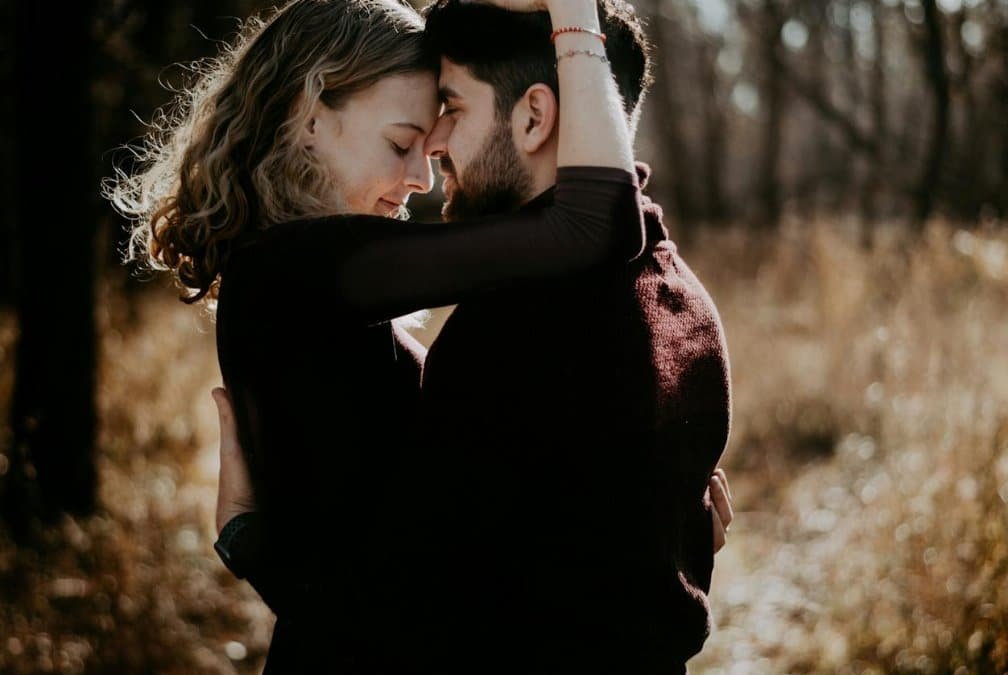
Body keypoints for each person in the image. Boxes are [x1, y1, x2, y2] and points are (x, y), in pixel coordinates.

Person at [102, 0, 735, 671]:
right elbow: (592, 225)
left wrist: (655, 521)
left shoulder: (323, 275)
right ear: (310, 118)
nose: (422, 175)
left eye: (439, 126)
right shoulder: (294, 268)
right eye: (401, 142)